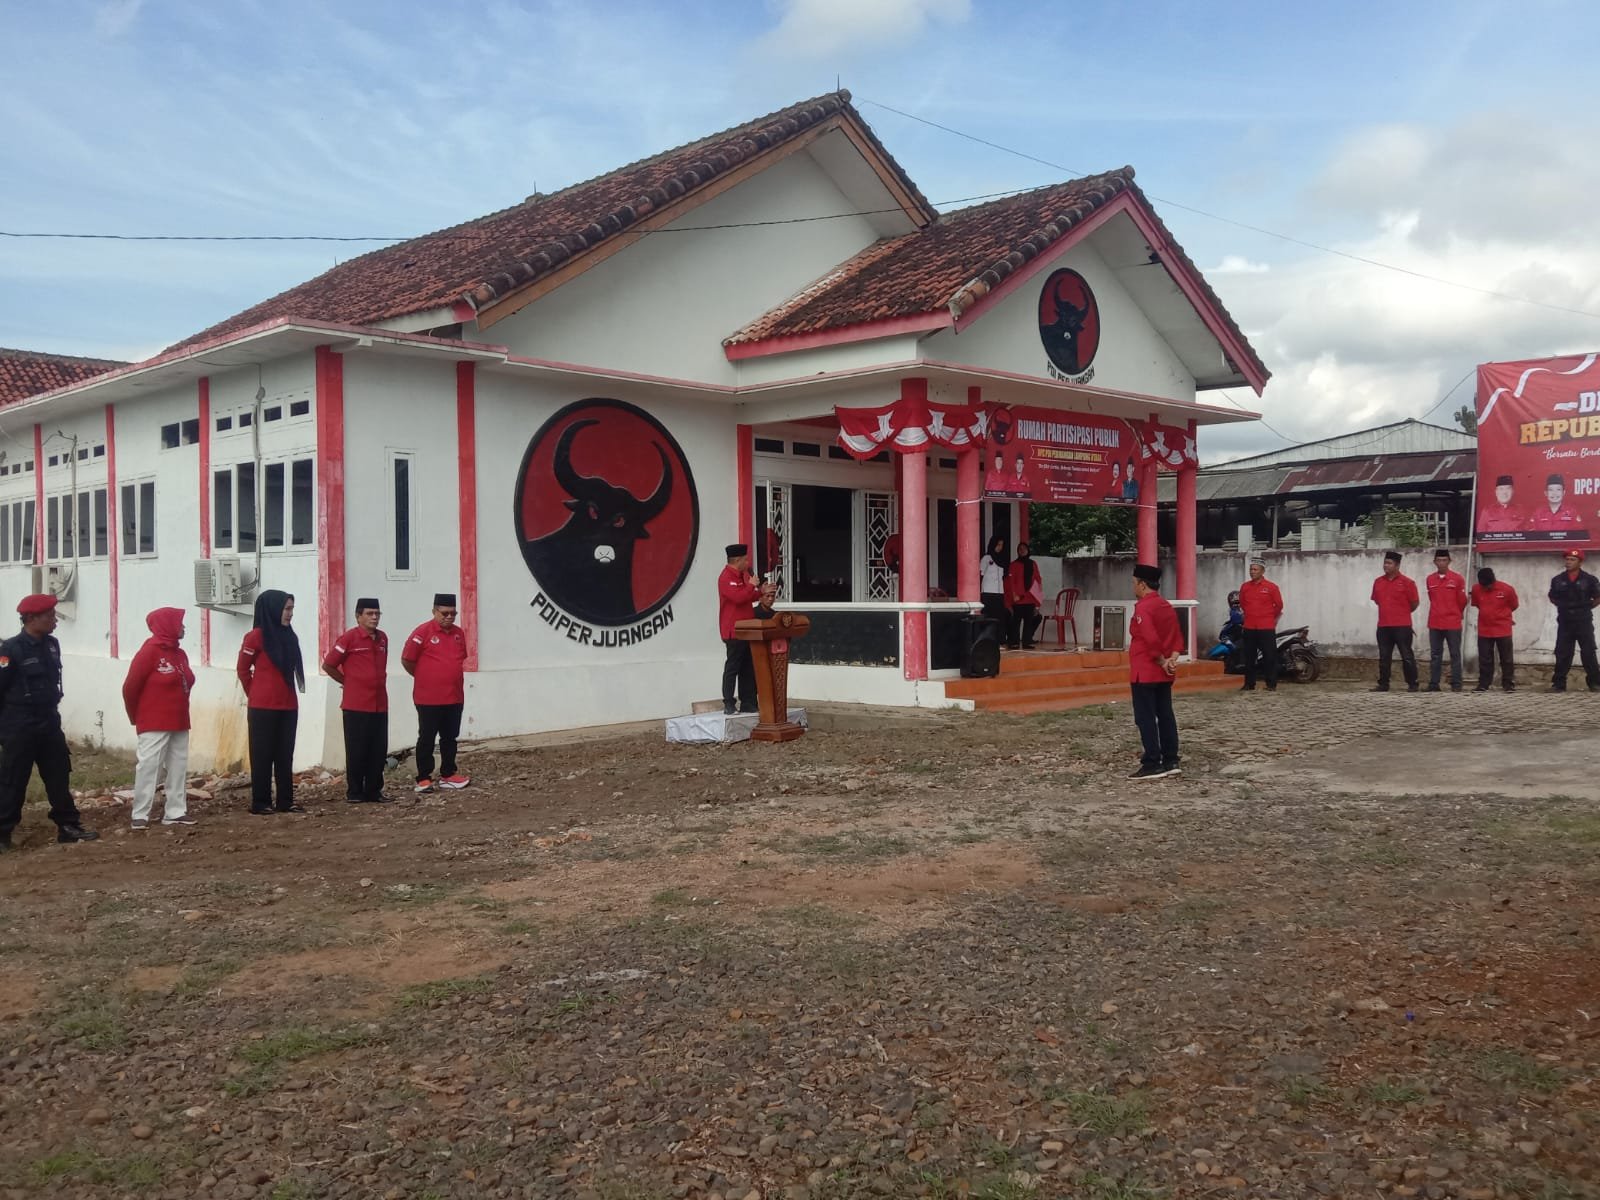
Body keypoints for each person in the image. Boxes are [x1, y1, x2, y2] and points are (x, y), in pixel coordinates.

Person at [0, 595, 99, 851]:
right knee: (13, 780)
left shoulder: (52, 645)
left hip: (48, 722)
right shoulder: (10, 649)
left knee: (58, 775)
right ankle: (3, 833)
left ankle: (68, 827)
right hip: (19, 725)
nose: (55, 620)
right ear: (32, 619)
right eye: (50, 616)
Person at [121, 607, 197, 830]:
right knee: (149, 766)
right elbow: (130, 687)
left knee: (178, 766)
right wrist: (136, 717)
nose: (183, 627)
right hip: (154, 721)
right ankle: (140, 813)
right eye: (179, 623)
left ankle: (175, 811)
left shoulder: (180, 654)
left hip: (179, 719)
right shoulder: (149, 652)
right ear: (168, 625)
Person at [237, 589, 304, 815]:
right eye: (286, 609)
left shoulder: (290, 636)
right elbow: (243, 669)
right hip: (262, 707)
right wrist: (255, 693)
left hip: (288, 705)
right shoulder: (256, 636)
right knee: (262, 755)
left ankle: (285, 800)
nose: (290, 614)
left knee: (285, 755)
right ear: (273, 609)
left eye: (291, 609)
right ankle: (261, 802)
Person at [323, 598, 392, 804]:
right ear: (358, 616)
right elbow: (329, 665)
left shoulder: (382, 638)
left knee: (378, 750)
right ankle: (354, 792)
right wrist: (347, 681)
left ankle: (374, 791)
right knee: (357, 750)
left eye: (377, 614)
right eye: (370, 613)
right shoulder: (349, 639)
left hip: (379, 703)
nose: (374, 617)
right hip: (356, 705)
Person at [402, 593, 470, 795]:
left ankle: (448, 774)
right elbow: (407, 660)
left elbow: (460, 659)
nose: (449, 617)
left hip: (454, 697)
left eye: (453, 613)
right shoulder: (422, 632)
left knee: (450, 737)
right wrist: (424, 677)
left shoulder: (459, 634)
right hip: (428, 698)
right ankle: (424, 778)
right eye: (445, 613)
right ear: (434, 611)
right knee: (427, 737)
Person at [1128, 563, 1183, 779]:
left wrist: (1161, 661)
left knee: (1145, 717)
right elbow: (1177, 636)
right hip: (1164, 672)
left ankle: (1152, 761)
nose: (1133, 587)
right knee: (1165, 714)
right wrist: (1172, 660)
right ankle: (1171, 759)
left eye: (1134, 583)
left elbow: (1150, 639)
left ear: (1142, 584)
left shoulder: (1143, 607)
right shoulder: (1165, 605)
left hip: (1145, 670)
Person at [1547, 549, 1600, 692]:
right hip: (1565, 621)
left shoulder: (1590, 579)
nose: (1568, 562)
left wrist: (1586, 607)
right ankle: (1559, 684)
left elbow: (1598, 597)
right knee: (1562, 652)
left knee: (1588, 651)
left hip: (1583, 620)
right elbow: (1552, 596)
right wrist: (1563, 606)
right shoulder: (1558, 580)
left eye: (1572, 560)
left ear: (1580, 562)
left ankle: (1595, 683)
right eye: (1567, 559)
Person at [718, 543, 760, 715]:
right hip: (733, 631)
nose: (747, 563)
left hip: (747, 629)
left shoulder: (742, 576)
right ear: (737, 560)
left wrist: (761, 592)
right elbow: (738, 598)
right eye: (745, 560)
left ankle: (748, 702)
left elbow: (747, 596)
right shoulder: (725, 577)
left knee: (747, 667)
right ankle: (729, 703)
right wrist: (751, 585)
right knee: (733, 667)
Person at [1370, 550, 1420, 692]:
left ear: (1397, 565)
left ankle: (1413, 683)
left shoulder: (1407, 583)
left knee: (1407, 655)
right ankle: (1383, 684)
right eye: (1385, 563)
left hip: (1402, 626)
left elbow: (1414, 603)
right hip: (1384, 625)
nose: (1386, 566)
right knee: (1384, 656)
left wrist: (1402, 613)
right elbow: (1377, 600)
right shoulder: (1378, 582)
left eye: (1389, 563)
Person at [1424, 548, 1468, 692]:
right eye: (1439, 560)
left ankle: (1456, 684)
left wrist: (1456, 613)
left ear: (1449, 561)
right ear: (1434, 562)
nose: (1441, 563)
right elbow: (1432, 598)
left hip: (1452, 622)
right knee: (1435, 654)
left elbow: (1462, 601)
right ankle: (1434, 684)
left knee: (1455, 653)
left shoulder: (1457, 578)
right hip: (1435, 622)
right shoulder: (1430, 579)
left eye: (1444, 560)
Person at [1237, 558, 1283, 691]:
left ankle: (1271, 684)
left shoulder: (1271, 587)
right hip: (1249, 626)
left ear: (1262, 571)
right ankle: (1249, 684)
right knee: (1249, 656)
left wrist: (1268, 616)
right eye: (1251, 569)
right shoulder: (1245, 587)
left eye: (1255, 569)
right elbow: (1243, 604)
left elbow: (1279, 605)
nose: (1252, 572)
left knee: (1269, 656)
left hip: (1266, 627)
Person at [1470, 566, 1519, 692]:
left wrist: (1501, 615)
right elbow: (1477, 604)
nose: (1487, 588)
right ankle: (1484, 684)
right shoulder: (1476, 589)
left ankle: (1508, 684)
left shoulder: (1507, 589)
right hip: (1484, 629)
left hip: (1503, 628)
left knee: (1506, 658)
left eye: (1489, 585)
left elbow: (1514, 605)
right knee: (1484, 658)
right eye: (1484, 586)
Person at [1005, 541, 1043, 649]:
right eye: (1020, 549)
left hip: (1030, 598)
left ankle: (1027, 642)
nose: (1022, 551)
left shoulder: (1033, 564)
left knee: (1028, 622)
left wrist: (1037, 603)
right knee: (1016, 622)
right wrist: (1013, 595)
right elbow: (1010, 582)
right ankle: (1014, 642)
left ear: (1028, 550)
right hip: (1018, 598)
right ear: (1017, 551)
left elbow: (1038, 580)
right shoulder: (1013, 565)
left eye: (1024, 549)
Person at [979, 534, 1010, 626]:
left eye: (1002, 545)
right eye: (998, 544)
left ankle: (998, 634)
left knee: (999, 616)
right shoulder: (986, 558)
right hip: (988, 591)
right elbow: (981, 574)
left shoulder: (1003, 559)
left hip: (999, 592)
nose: (1000, 547)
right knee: (988, 615)